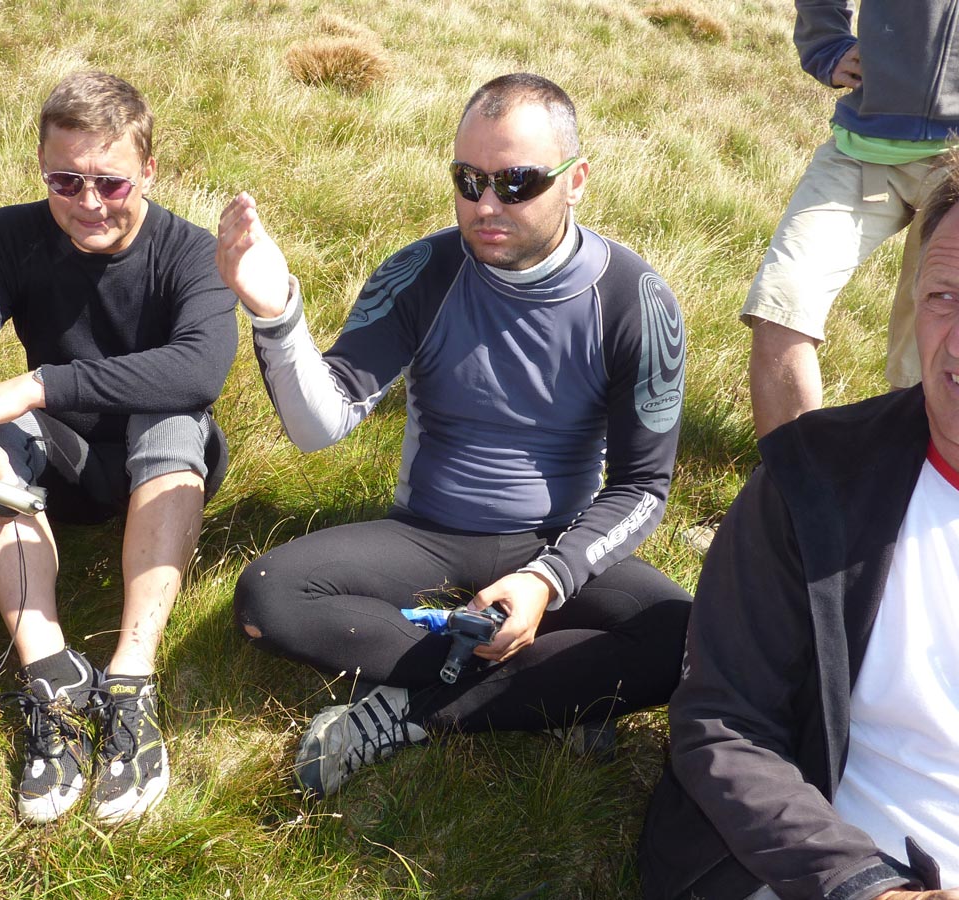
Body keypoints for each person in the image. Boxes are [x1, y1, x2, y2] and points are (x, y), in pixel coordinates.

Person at [216, 72, 693, 799]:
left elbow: (643, 487)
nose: (486, 205)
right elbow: (321, 425)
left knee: (686, 635)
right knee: (270, 597)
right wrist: (277, 316)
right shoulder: (423, 271)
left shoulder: (635, 300)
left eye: (517, 182)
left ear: (577, 181)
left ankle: (411, 711)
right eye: (468, 181)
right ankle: (553, 692)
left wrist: (546, 580)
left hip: (555, 541)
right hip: (428, 536)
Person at [0, 71, 237, 825]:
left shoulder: (190, 253)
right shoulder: (4, 236)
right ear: (40, 166)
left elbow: (200, 368)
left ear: (149, 170)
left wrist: (36, 386)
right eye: (65, 181)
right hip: (54, 462)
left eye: (111, 183)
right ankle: (51, 674)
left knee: (172, 413)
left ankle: (131, 680)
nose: (89, 202)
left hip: (164, 461)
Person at [639, 160, 959, 900]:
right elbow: (724, 720)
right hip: (820, 871)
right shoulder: (811, 478)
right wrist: (866, 887)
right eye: (944, 296)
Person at [746, 0, 959, 439]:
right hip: (862, 147)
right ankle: (790, 475)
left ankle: (914, 473)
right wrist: (825, 42)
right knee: (781, 303)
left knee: (934, 346)